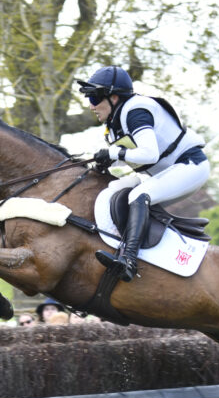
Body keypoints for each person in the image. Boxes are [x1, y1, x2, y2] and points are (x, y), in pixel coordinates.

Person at [76, 66, 209, 282]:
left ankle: (129, 260)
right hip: (169, 171)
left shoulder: (136, 111)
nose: (91, 105)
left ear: (114, 97)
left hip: (190, 166)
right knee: (113, 190)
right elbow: (127, 155)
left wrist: (112, 152)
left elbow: (148, 154)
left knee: (137, 195)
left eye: (94, 97)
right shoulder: (116, 120)